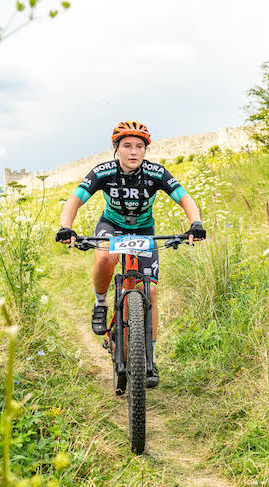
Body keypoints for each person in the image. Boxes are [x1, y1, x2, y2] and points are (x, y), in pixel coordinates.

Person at [55, 120, 206, 388]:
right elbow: (75, 199)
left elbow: (184, 197)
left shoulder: (156, 173)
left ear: (145, 150)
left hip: (144, 231)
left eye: (139, 146)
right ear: (116, 148)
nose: (133, 152)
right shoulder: (103, 172)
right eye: (127, 146)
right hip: (111, 227)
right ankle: (101, 303)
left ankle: (149, 359)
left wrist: (195, 223)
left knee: (152, 292)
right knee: (104, 257)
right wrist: (66, 227)